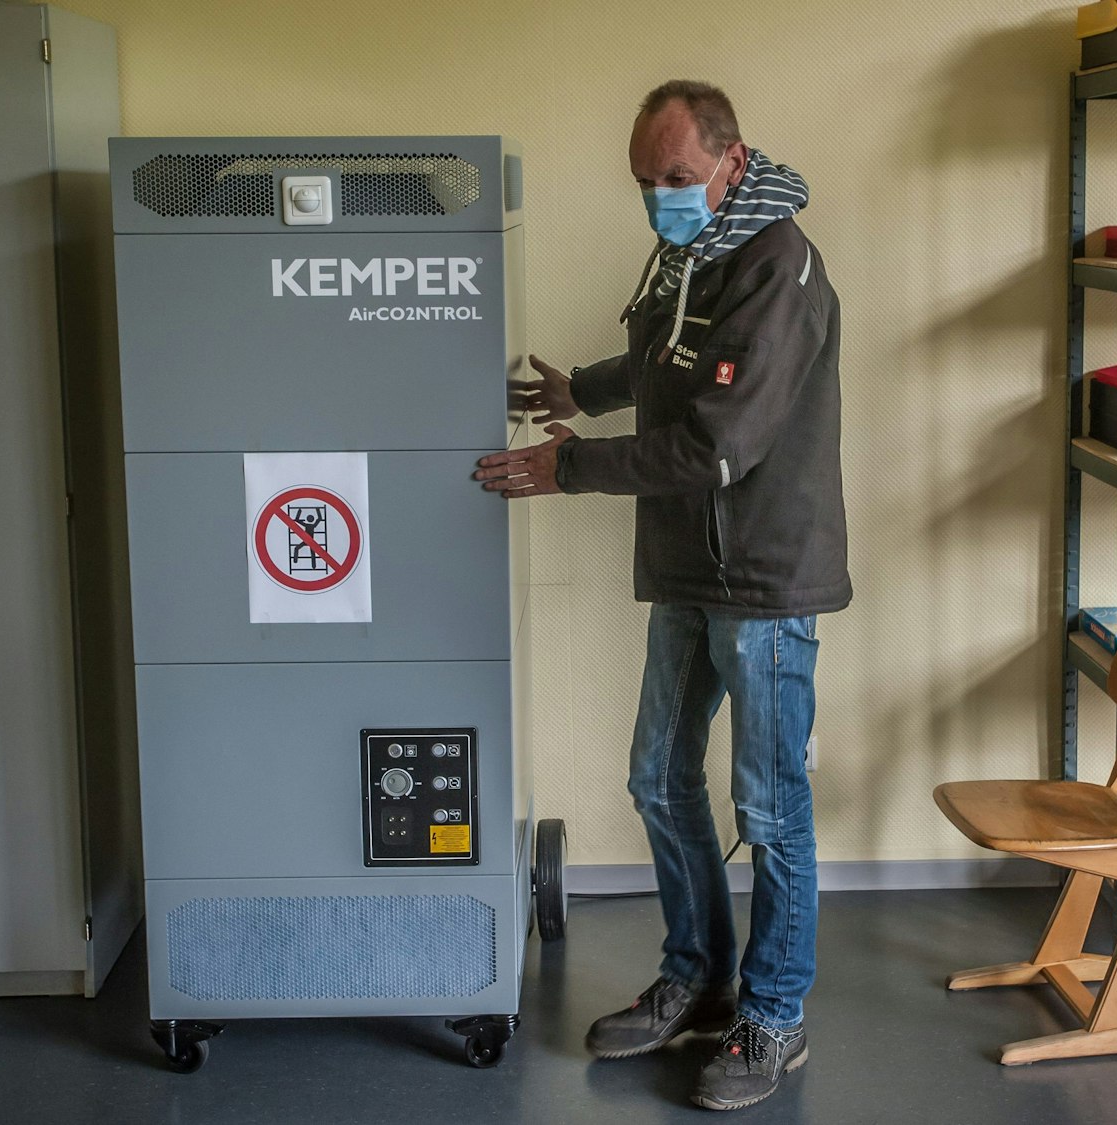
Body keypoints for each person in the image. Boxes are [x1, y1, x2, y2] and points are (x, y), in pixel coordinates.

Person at [472, 79, 848, 1112]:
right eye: (643, 182)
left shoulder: (779, 266)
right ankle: (697, 977)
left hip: (764, 579)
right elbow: (671, 352)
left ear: (732, 160)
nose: (657, 200)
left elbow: (717, 442)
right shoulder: (698, 250)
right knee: (656, 778)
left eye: (674, 179)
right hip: (689, 565)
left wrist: (570, 467)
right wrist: (579, 393)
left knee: (768, 812)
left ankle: (773, 1020)